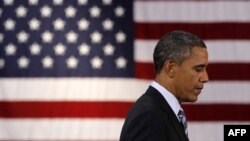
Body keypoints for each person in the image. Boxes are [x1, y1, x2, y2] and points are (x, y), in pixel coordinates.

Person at [120, 30, 209, 141]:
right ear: (170, 68)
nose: (205, 78)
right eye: (198, 69)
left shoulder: (163, 112)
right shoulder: (149, 116)